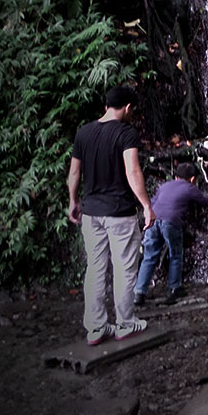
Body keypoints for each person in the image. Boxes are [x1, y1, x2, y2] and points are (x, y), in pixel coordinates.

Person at [67, 86, 155, 345]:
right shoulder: (126, 133)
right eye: (132, 109)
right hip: (119, 213)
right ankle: (125, 324)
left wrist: (73, 200)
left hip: (91, 213)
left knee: (94, 269)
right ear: (127, 107)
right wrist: (147, 205)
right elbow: (133, 171)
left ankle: (96, 328)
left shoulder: (84, 132)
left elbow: (74, 173)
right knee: (124, 269)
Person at [134, 162, 208, 305]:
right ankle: (174, 289)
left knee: (149, 256)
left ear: (176, 176)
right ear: (192, 179)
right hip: (171, 222)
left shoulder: (164, 186)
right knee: (176, 255)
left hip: (153, 220)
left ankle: (139, 293)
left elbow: (152, 203)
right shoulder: (190, 189)